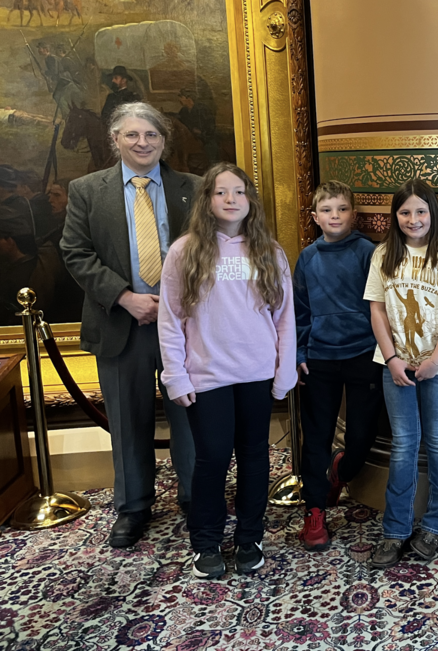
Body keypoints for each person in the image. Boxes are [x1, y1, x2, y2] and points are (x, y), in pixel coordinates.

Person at [60, 102, 198, 547]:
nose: (143, 143)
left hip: (184, 326)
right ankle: (134, 505)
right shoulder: (86, 190)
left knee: (191, 416)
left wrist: (180, 302)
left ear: (164, 139)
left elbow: (214, 251)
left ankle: (196, 498)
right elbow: (75, 253)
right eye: (132, 135)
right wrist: (125, 297)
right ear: (114, 139)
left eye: (152, 135)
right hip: (122, 324)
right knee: (126, 419)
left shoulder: (193, 189)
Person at [158, 163, 296, 579]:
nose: (231, 199)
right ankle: (205, 542)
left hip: (256, 373)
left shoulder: (269, 251)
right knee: (213, 459)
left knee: (256, 459)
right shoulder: (185, 251)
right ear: (207, 200)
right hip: (207, 376)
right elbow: (171, 318)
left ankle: (250, 538)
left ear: (250, 199)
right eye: (221, 192)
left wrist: (283, 369)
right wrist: (175, 375)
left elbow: (285, 316)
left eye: (239, 191)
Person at [364, 178, 438, 568]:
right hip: (396, 365)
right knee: (404, 444)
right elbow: (376, 309)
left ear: (432, 214)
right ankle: (395, 529)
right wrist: (391, 358)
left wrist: (437, 359)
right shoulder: (383, 254)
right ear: (396, 216)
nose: (413, 218)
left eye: (420, 211)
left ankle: (437, 524)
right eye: (405, 212)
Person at [293, 181, 382, 551]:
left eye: (342, 209)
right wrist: (299, 353)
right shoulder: (307, 259)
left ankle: (342, 471)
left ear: (353, 215)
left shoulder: (368, 253)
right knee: (315, 438)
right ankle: (314, 512)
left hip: (363, 355)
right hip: (319, 360)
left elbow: (381, 306)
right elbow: (299, 312)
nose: (334, 216)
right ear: (315, 217)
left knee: (361, 437)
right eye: (327, 210)